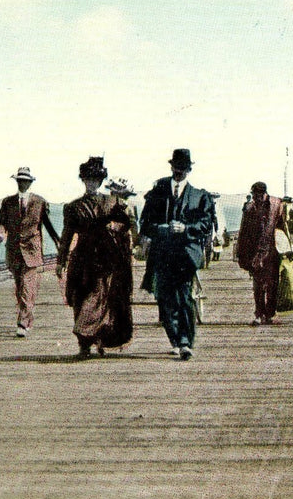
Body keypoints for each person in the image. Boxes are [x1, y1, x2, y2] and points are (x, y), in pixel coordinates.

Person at [55, 157, 138, 359]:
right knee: (79, 297)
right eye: (87, 179)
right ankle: (85, 345)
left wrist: (114, 227)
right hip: (82, 257)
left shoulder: (113, 202)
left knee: (97, 299)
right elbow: (67, 235)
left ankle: (90, 335)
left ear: (101, 182)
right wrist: (61, 260)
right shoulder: (73, 207)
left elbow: (128, 224)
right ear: (83, 180)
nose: (91, 183)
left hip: (105, 258)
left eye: (95, 180)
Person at [139, 149, 215, 361]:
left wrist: (186, 228)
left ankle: (185, 342)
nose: (179, 171)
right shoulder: (158, 192)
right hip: (162, 255)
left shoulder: (199, 196)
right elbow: (145, 224)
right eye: (176, 167)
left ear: (189, 170)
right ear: (171, 167)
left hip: (185, 256)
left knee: (183, 298)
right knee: (164, 300)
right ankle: (174, 339)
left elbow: (205, 224)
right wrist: (163, 229)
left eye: (183, 168)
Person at [0, 166, 60, 337]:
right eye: (20, 181)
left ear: (30, 183)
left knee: (27, 286)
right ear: (17, 182)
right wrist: (0, 232)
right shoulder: (7, 202)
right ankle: (28, 317)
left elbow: (48, 225)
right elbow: (0, 222)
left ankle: (22, 323)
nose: (23, 183)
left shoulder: (40, 202)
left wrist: (58, 242)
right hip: (14, 251)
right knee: (20, 287)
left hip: (32, 250)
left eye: (26, 181)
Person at [235, 181, 286, 326]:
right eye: (253, 195)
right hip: (255, 252)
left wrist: (286, 248)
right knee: (258, 284)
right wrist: (241, 252)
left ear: (264, 194)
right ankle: (259, 313)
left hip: (272, 250)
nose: (255, 198)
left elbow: (282, 227)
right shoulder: (250, 207)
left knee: (272, 284)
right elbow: (243, 230)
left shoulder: (276, 205)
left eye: (257, 195)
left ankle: (270, 313)